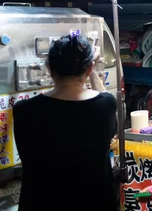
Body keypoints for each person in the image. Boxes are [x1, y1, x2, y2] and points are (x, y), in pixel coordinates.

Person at [14, 34, 117, 211]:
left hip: (41, 202)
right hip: (94, 202)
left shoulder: (25, 110)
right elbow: (104, 96)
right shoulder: (104, 106)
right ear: (90, 67)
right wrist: (92, 72)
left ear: (49, 67)